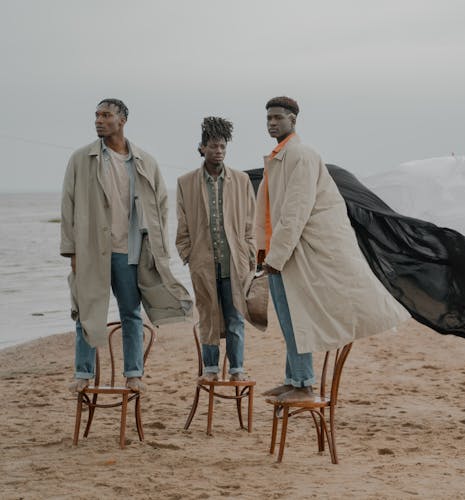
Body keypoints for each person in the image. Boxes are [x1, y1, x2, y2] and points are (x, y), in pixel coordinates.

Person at [256, 96, 410, 402]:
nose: (272, 123)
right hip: (279, 253)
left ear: (293, 120)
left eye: (278, 118)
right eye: (269, 118)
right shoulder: (279, 157)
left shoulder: (300, 154)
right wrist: (264, 253)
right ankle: (293, 378)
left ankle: (303, 384)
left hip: (295, 255)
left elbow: (296, 212)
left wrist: (276, 257)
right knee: (289, 321)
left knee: (296, 319)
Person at [61, 98, 192, 394]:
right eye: (96, 115)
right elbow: (67, 206)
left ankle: (134, 373)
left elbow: (160, 208)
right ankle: (82, 373)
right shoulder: (81, 159)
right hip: (92, 250)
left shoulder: (145, 161)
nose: (98, 120)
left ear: (122, 120)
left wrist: (159, 252)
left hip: (130, 251)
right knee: (86, 310)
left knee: (131, 313)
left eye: (105, 115)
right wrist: (71, 253)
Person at [176, 117, 257, 381]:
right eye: (213, 146)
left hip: (235, 262)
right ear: (201, 148)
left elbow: (250, 223)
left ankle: (237, 369)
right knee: (208, 316)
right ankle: (210, 370)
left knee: (235, 318)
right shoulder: (185, 182)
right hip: (203, 262)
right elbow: (182, 222)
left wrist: (250, 252)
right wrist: (187, 253)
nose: (218, 151)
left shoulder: (242, 180)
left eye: (222, 146)